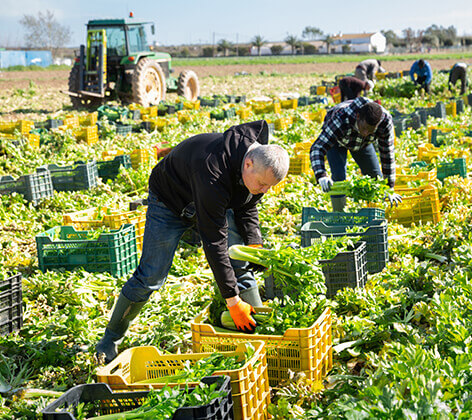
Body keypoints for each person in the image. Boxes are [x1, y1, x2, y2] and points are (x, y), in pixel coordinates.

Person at [95, 120, 289, 363]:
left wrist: (254, 243)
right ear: (248, 163)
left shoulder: (256, 166)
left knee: (240, 262)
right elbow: (214, 241)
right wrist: (232, 301)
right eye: (262, 184)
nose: (264, 191)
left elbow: (246, 206)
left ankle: (258, 334)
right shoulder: (212, 171)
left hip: (213, 200)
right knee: (151, 276)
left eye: (269, 186)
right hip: (170, 202)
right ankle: (110, 339)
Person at [310, 97, 402, 212]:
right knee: (339, 178)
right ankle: (339, 215)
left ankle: (375, 213)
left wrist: (389, 188)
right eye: (364, 128)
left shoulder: (385, 122)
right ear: (358, 117)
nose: (365, 133)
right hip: (337, 142)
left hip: (363, 145)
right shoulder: (340, 119)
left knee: (376, 178)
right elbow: (317, 147)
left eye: (370, 131)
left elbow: (387, 154)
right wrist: (321, 175)